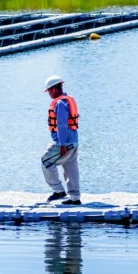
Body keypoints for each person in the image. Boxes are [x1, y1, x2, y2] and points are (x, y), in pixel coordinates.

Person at [42, 75, 80, 205]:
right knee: (70, 167)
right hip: (74, 141)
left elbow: (62, 125)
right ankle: (75, 198)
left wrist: (62, 144)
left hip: (64, 143)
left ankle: (58, 190)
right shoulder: (68, 100)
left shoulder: (59, 104)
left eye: (49, 91)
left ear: (54, 89)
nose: (49, 94)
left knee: (46, 161)